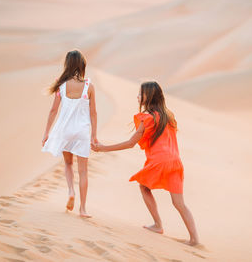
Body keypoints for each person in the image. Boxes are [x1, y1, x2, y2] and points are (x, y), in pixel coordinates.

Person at [93, 81, 199, 245]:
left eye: (140, 94)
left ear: (147, 96)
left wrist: (103, 148)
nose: (137, 96)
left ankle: (158, 225)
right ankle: (194, 239)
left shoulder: (148, 118)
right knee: (179, 203)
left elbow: (130, 143)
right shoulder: (168, 117)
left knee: (143, 187)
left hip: (160, 160)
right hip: (176, 162)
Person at [41, 50, 97, 218]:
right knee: (84, 171)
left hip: (65, 130)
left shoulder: (61, 86)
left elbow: (53, 111)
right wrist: (94, 135)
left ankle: (71, 191)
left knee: (68, 164)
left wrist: (46, 133)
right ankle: (83, 209)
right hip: (82, 132)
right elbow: (93, 113)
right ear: (82, 65)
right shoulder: (89, 86)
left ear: (68, 65)